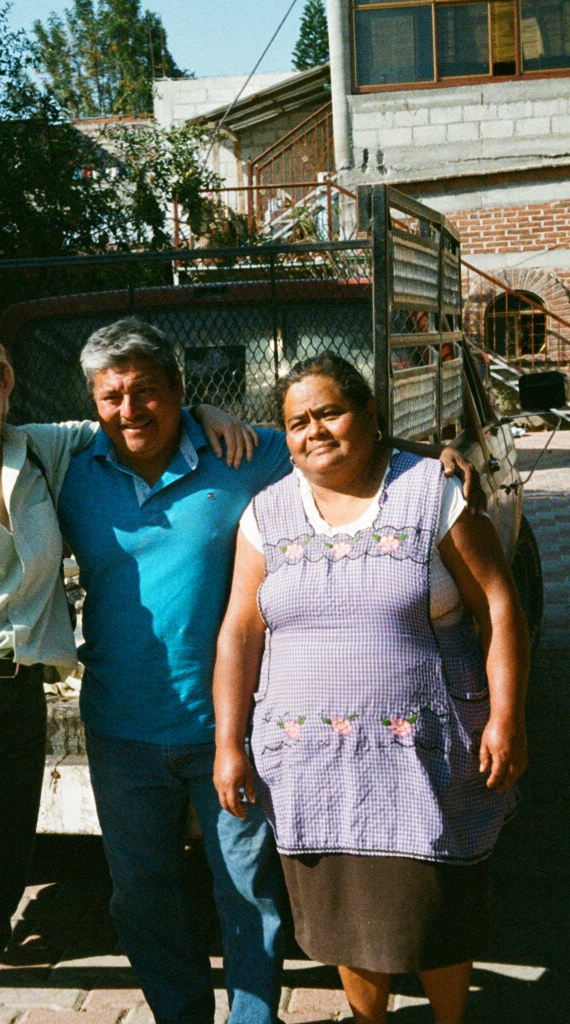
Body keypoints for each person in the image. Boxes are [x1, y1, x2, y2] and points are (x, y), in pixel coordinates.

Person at [54, 320, 482, 1024]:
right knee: (140, 892)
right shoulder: (71, 471)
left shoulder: (245, 452)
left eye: (148, 392)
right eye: (112, 396)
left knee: (247, 891)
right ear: (94, 402)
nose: (130, 410)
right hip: (120, 723)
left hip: (235, 720)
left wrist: (435, 456)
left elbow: (338, 442)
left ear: (181, 394)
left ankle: (254, 1019)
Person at [0, 319, 249, 1024]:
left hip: (16, 705)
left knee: (0, 885)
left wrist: (207, 415)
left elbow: (135, 418)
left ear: (5, 382)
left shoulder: (42, 451)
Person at [212, 352, 529, 1024]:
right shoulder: (265, 515)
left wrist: (507, 716)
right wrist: (228, 743)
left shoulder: (431, 491)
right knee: (343, 921)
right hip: (311, 765)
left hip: (426, 759)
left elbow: (499, 607)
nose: (315, 430)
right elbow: (240, 633)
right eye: (298, 421)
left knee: (436, 909)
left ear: (370, 415)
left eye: (331, 412)